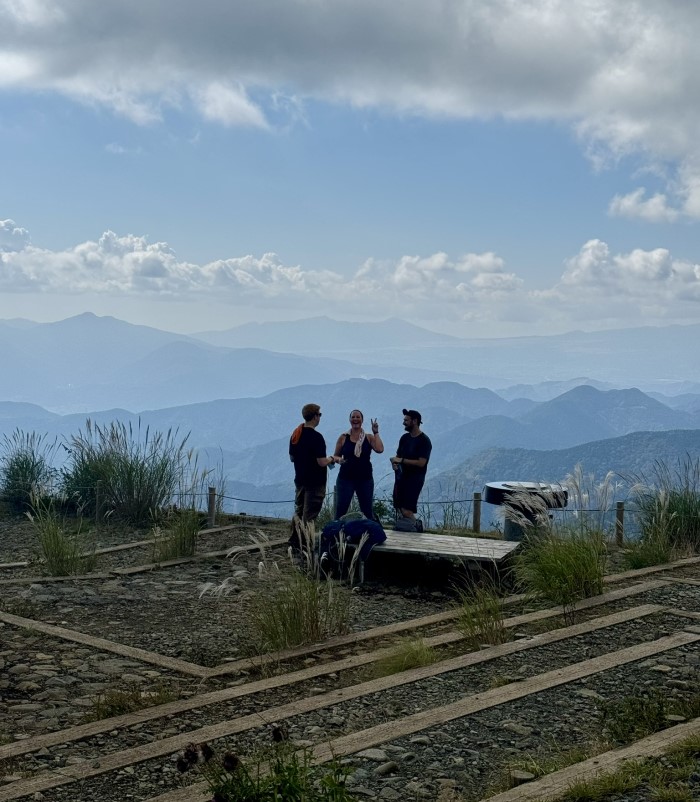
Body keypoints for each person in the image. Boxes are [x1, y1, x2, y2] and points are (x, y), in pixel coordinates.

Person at [288, 403, 338, 549]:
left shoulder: (296, 434)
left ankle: (294, 541)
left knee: (299, 512)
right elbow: (321, 462)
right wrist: (332, 459)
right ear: (315, 416)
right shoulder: (317, 437)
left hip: (300, 479)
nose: (320, 418)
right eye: (320, 415)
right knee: (309, 516)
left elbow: (292, 457)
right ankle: (305, 546)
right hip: (315, 482)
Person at [333, 409, 384, 520]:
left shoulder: (369, 437)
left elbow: (379, 449)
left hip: (365, 479)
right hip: (345, 479)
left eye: (358, 417)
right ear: (350, 420)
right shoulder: (343, 437)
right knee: (341, 510)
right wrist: (339, 460)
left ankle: (368, 535)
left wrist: (376, 432)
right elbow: (335, 456)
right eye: (353, 417)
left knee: (367, 511)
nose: (355, 419)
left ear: (362, 420)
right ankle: (337, 535)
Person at [390, 408, 432, 531]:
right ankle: (409, 530)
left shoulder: (424, 441)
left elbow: (421, 463)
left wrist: (401, 461)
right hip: (401, 477)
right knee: (400, 507)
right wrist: (395, 464)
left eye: (406, 420)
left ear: (415, 421)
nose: (404, 423)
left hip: (415, 479)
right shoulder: (404, 438)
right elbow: (398, 456)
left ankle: (417, 527)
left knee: (407, 510)